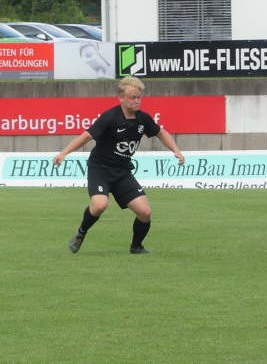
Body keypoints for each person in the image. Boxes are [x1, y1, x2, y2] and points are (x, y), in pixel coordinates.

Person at [53, 76, 185, 254]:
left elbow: (161, 133)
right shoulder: (110, 117)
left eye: (139, 97)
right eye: (132, 97)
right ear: (121, 98)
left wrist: (175, 150)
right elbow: (86, 136)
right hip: (100, 168)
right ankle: (81, 232)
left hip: (122, 171)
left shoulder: (143, 119)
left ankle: (136, 246)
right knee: (100, 205)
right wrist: (64, 153)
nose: (137, 101)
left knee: (145, 213)